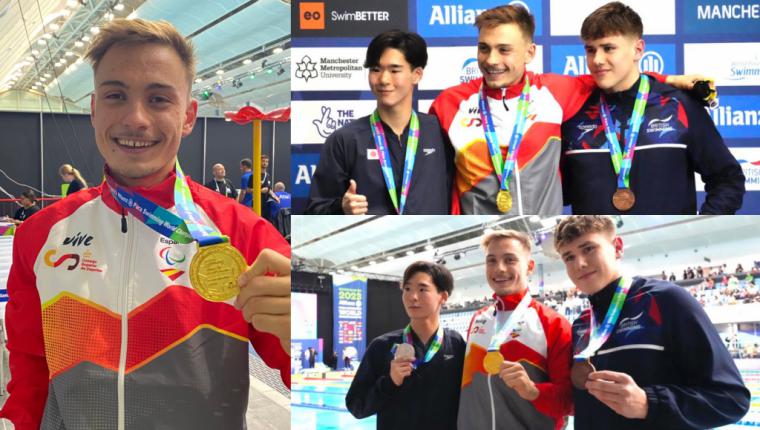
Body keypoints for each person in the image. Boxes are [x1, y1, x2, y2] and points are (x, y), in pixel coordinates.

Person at [0, 19, 291, 430]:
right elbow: (29, 366)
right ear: (95, 110)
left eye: (158, 99)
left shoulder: (245, 237)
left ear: (188, 116)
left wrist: (308, 339)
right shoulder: (41, 234)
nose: (135, 118)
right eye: (116, 95)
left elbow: (323, 382)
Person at [430, 4, 701, 215]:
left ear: (529, 53)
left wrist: (667, 80)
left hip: (541, 235)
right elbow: (432, 183)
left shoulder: (555, 92)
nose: (491, 60)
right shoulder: (448, 104)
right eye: (483, 48)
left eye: (504, 50)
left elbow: (619, 75)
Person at [554, 215, 750, 429]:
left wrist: (649, 403)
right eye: (569, 257)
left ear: (617, 247)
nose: (580, 264)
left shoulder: (666, 300)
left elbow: (731, 399)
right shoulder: (582, 324)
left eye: (588, 249)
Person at [560, 2, 744, 214]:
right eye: (590, 50)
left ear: (638, 49)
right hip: (600, 242)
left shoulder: (678, 105)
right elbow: (559, 191)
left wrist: (699, 228)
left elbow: (727, 178)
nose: (597, 60)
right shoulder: (574, 110)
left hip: (666, 244)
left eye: (609, 48)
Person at [306, 30, 452, 215]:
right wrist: (341, 208)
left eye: (394, 70)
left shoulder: (441, 132)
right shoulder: (345, 140)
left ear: (417, 74)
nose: (383, 79)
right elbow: (314, 210)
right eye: (375, 69)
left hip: (429, 239)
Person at [458, 230, 572, 429]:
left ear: (529, 267)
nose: (499, 268)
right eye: (491, 261)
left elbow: (569, 401)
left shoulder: (553, 323)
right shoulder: (479, 318)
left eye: (509, 260)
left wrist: (533, 391)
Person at [346, 261, 465, 429]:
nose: (412, 297)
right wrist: (390, 382)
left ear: (443, 297)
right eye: (407, 289)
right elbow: (356, 406)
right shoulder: (382, 347)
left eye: (422, 289)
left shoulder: (457, 344)